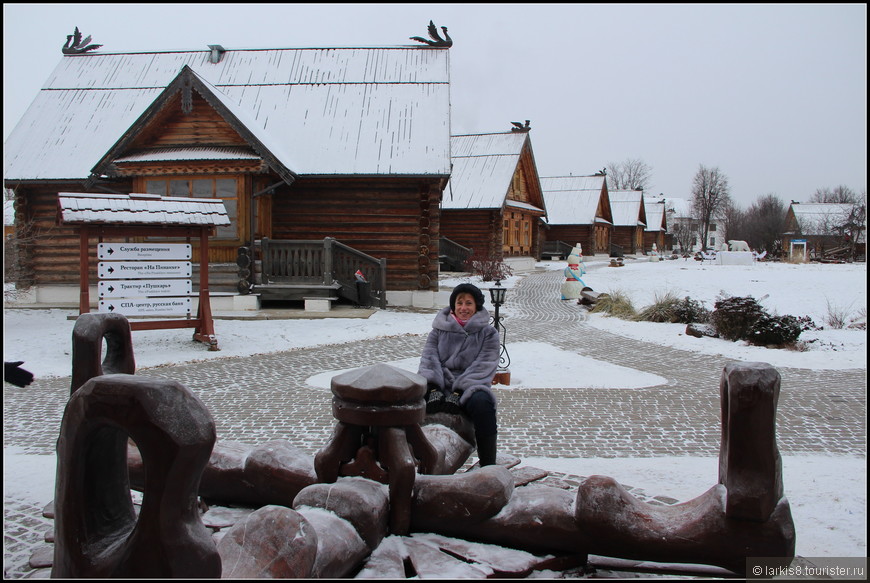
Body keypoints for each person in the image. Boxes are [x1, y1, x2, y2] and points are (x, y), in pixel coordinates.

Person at [418, 283, 500, 466]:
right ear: (453, 305)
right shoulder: (439, 330)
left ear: (476, 306)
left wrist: (459, 392)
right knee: (406, 398)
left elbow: (484, 366)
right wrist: (432, 388)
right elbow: (429, 360)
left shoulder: (488, 333)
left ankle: (488, 464)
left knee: (483, 404)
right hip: (439, 385)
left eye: (469, 303)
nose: (463, 308)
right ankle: (408, 457)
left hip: (471, 386)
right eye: (459, 303)